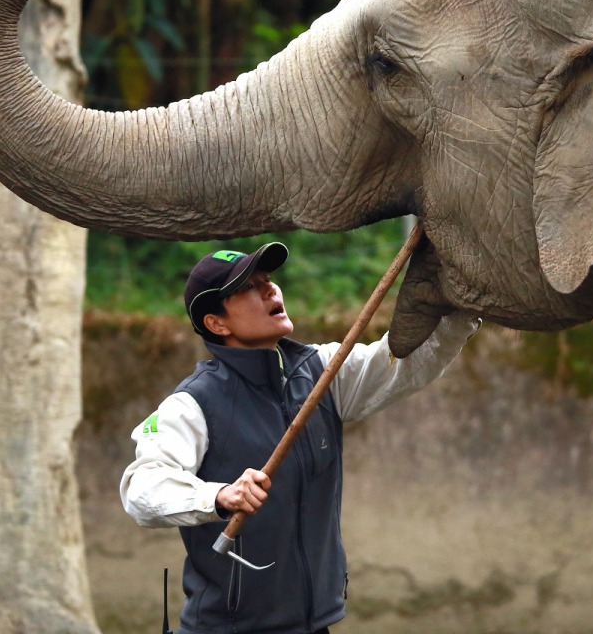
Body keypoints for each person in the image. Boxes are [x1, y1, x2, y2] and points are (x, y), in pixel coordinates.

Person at [121, 241, 479, 634]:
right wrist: (219, 496)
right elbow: (142, 487)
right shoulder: (191, 404)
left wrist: (465, 308)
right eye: (248, 288)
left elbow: (404, 365)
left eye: (268, 280)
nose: (270, 290)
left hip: (315, 625)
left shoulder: (321, 370)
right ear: (216, 323)